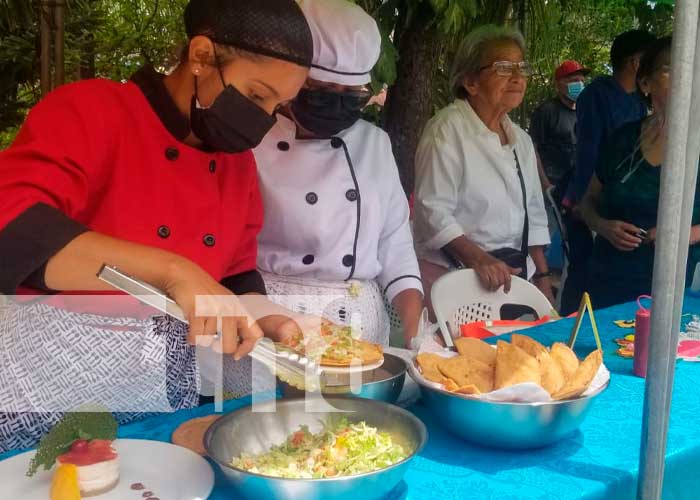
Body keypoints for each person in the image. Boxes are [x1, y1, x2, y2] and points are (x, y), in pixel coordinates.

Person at [0, 0, 314, 452]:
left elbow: (233, 278)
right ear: (201, 56)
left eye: (278, 105)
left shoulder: (238, 166)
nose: (265, 119)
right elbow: (11, 230)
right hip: (47, 389)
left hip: (162, 395)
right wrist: (174, 270)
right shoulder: (91, 109)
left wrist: (272, 319)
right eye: (256, 95)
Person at [254, 0, 424, 348]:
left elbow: (395, 242)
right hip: (272, 320)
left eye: (350, 95)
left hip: (359, 325)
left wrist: (415, 334)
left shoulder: (374, 144)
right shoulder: (252, 140)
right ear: (293, 82)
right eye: (321, 91)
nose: (336, 103)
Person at [413, 25, 553, 319]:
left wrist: (542, 279)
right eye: (503, 67)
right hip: (453, 277)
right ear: (470, 82)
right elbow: (432, 211)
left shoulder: (520, 140)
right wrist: (480, 259)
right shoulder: (447, 130)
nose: (517, 77)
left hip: (511, 280)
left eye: (521, 67)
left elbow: (535, 215)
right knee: (461, 361)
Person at [580, 36, 700, 309]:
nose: (686, 77)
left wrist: (684, 234)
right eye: (671, 68)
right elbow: (587, 201)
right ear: (645, 83)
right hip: (611, 283)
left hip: (682, 290)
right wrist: (602, 226)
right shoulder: (623, 139)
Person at [559, 29, 656, 314]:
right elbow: (588, 152)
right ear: (637, 63)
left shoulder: (640, 102)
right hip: (590, 197)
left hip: (620, 207)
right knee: (582, 270)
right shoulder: (597, 95)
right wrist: (582, 203)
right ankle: (565, 328)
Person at [530, 60, 590, 206]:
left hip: (575, 189)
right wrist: (546, 186)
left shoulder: (585, 112)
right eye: (574, 81)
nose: (580, 85)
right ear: (558, 85)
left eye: (582, 81)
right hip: (552, 188)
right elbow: (532, 150)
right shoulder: (547, 111)